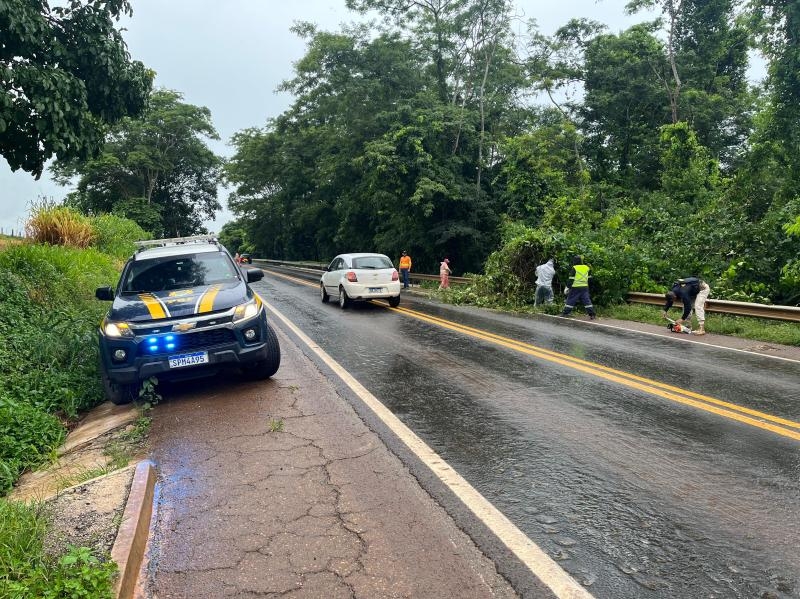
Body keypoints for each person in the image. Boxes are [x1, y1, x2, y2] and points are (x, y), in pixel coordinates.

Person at [560, 255, 596, 319]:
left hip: (575, 287)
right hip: (584, 287)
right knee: (587, 301)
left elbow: (571, 279)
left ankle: (565, 313)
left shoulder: (574, 268)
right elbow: (590, 279)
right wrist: (591, 287)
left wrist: (567, 287)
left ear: (575, 261)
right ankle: (592, 314)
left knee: (571, 300)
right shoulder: (587, 267)